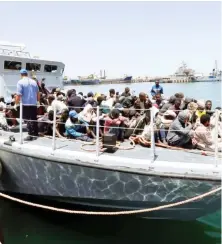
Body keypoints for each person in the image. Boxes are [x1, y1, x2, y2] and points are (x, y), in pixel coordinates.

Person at [15, 69, 40, 141]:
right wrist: (38, 101)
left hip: (26, 104)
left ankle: (30, 135)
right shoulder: (34, 82)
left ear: (21, 75)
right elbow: (38, 93)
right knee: (34, 119)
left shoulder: (20, 82)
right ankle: (35, 133)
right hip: (34, 104)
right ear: (27, 74)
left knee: (28, 119)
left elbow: (18, 94)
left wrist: (16, 103)